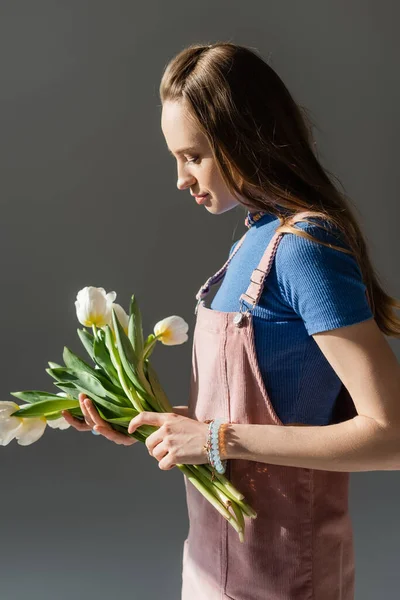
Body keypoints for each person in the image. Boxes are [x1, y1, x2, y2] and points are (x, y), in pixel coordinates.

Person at [63, 42, 400, 599]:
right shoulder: (253, 238)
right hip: (213, 565)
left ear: (242, 138)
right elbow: (258, 410)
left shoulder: (303, 248)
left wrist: (216, 439)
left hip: (286, 575)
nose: (180, 178)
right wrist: (157, 423)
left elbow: (392, 437)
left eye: (193, 156)